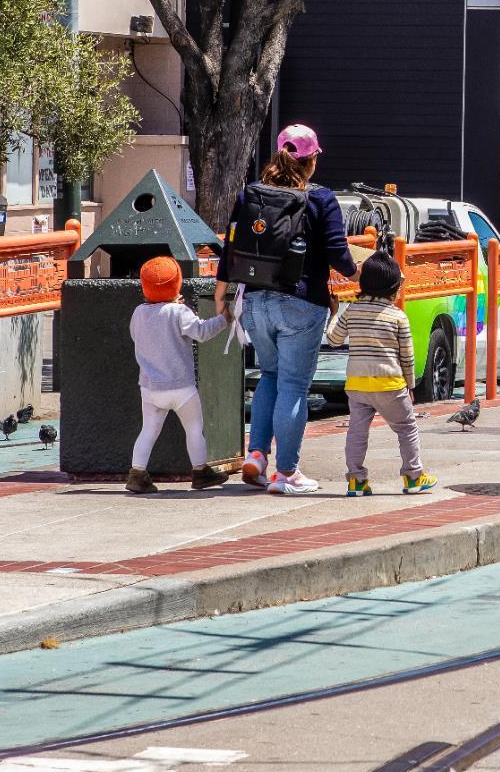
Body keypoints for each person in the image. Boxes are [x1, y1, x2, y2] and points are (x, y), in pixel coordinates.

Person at [215, 124, 357, 496]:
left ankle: (258, 456)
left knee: (270, 376)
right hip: (299, 303)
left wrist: (222, 292)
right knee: (294, 384)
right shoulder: (320, 199)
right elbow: (338, 254)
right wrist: (361, 269)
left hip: (253, 301)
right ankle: (286, 473)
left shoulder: (251, 194)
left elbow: (230, 243)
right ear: (310, 161)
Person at [326, 251, 436, 496]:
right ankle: (413, 475)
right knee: (406, 427)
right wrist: (410, 385)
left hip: (357, 385)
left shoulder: (352, 311)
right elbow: (407, 356)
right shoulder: (397, 316)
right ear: (394, 290)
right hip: (390, 384)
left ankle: (356, 480)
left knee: (357, 432)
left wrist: (333, 314)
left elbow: (334, 339)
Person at [127, 256, 231, 494]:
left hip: (151, 388)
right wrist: (224, 319)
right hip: (181, 387)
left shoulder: (138, 313)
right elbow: (202, 332)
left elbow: (138, 336)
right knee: (194, 428)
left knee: (148, 430)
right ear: (176, 285)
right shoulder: (179, 311)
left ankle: (137, 474)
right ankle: (200, 472)